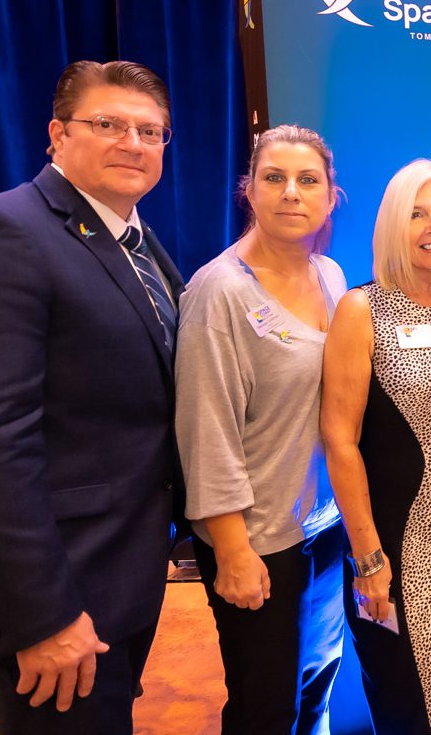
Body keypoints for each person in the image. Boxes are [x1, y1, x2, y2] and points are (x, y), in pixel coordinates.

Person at [0, 60, 183, 733]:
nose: (133, 143)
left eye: (150, 131)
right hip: (48, 599)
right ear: (57, 135)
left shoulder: (136, 243)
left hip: (117, 573)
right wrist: (41, 616)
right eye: (109, 124)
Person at [175, 124, 346, 734]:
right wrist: (232, 551)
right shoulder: (218, 292)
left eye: (308, 180)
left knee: (316, 688)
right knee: (264, 709)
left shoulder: (330, 276)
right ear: (248, 190)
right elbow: (206, 434)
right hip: (257, 540)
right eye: (275, 178)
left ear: (330, 196)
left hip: (323, 528)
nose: (291, 192)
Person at [321, 160, 431, 735]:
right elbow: (340, 442)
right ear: (394, 226)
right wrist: (368, 559)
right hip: (394, 545)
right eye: (417, 214)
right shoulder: (361, 310)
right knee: (408, 710)